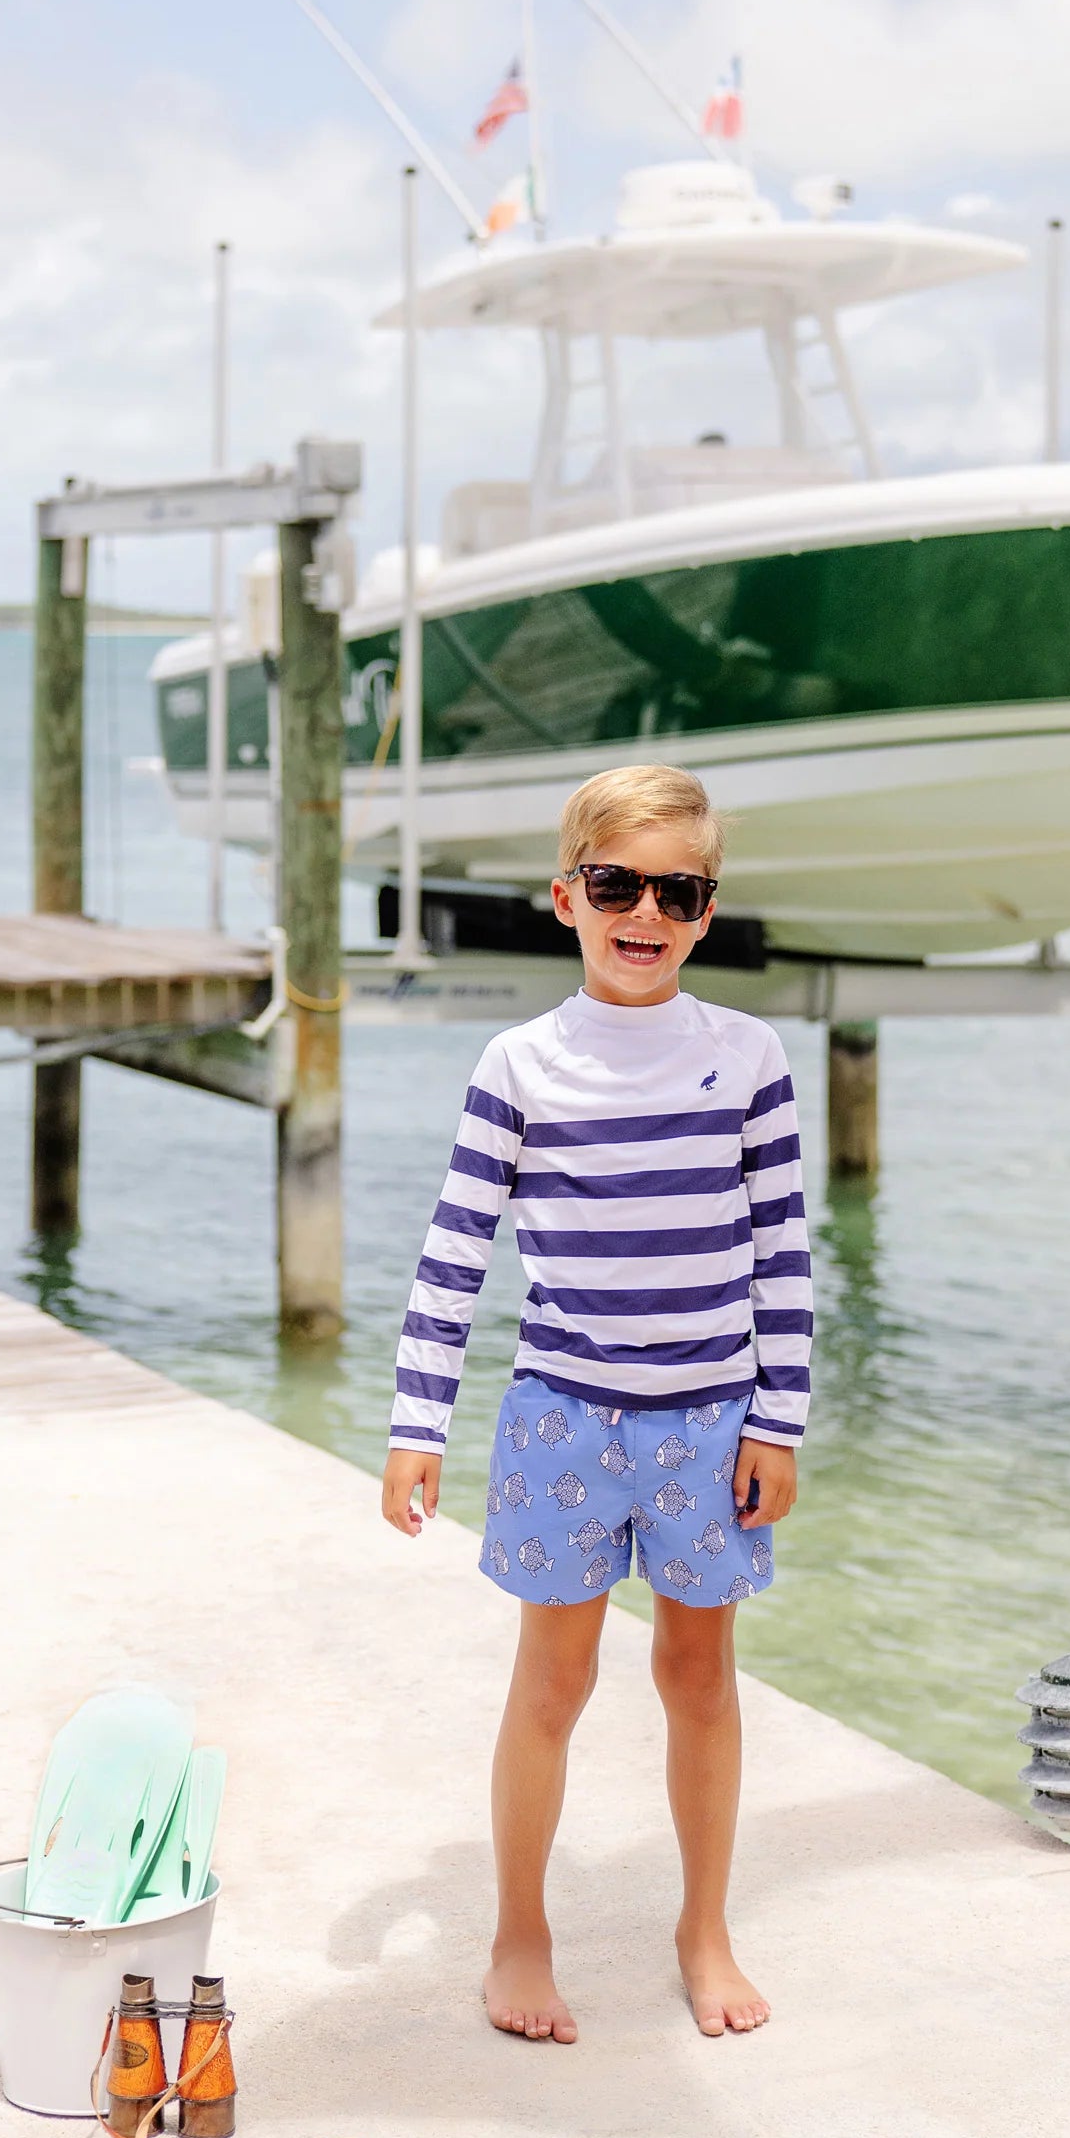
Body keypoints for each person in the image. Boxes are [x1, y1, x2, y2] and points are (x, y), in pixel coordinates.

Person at [381, 762, 812, 2045]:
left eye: (676, 891)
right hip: (562, 1412)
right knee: (552, 1683)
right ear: (565, 895)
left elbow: (783, 1248)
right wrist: (417, 1421)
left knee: (699, 1673)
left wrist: (778, 1416)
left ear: (705, 905)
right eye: (617, 884)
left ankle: (703, 1925)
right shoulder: (519, 1064)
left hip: (710, 1422)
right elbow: (454, 1251)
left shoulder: (747, 1057)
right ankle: (520, 1928)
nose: (645, 912)